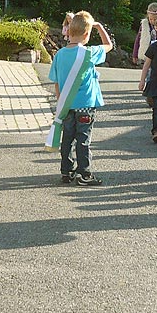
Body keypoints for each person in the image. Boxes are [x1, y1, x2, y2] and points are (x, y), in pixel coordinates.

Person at [48, 11, 114, 186]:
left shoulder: (59, 54)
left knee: (67, 139)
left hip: (67, 105)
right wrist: (99, 27)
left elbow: (55, 81)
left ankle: (66, 171)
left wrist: (60, 101)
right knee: (83, 139)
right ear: (87, 34)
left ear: (68, 32)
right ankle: (84, 173)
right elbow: (108, 45)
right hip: (85, 105)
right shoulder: (89, 53)